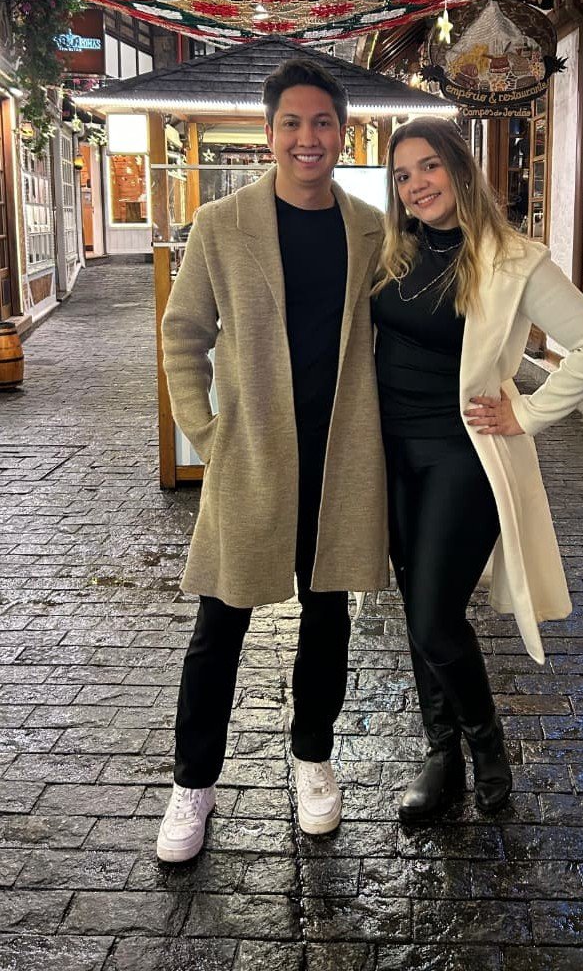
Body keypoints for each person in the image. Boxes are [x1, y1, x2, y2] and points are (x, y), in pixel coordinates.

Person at [157, 58, 388, 862]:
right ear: (269, 133)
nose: (307, 137)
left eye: (322, 122)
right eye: (292, 122)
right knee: (219, 622)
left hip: (341, 456)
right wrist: (207, 432)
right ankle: (193, 783)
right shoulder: (221, 224)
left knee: (328, 616)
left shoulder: (370, 229)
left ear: (343, 133)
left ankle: (313, 757)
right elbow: (184, 333)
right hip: (252, 454)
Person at [372, 116, 583, 824]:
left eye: (428, 166)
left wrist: (529, 413)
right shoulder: (392, 251)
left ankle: (486, 748)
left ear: (460, 167)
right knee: (418, 609)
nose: (416, 184)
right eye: (402, 175)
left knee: (433, 615)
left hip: (463, 454)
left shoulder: (515, 261)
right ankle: (441, 755)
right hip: (390, 454)